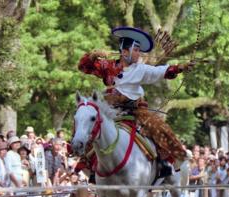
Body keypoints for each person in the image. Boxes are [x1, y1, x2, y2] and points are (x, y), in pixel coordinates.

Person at [78, 26, 195, 171]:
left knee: (158, 126)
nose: (139, 54)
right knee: (88, 125)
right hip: (109, 111)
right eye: (136, 50)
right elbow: (83, 67)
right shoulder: (106, 66)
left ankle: (165, 163)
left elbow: (161, 71)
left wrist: (180, 67)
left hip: (135, 110)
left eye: (139, 50)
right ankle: (88, 164)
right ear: (125, 51)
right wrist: (92, 55)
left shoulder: (140, 69)